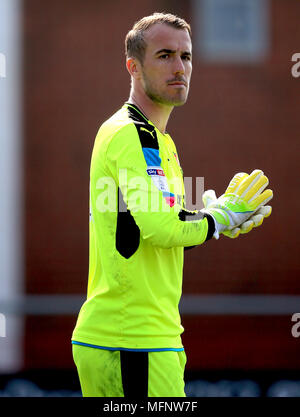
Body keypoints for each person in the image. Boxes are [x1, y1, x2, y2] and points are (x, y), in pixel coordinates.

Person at [71, 12, 273, 397]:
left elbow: (167, 217)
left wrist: (216, 213)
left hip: (144, 338)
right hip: (131, 339)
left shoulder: (160, 141)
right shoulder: (132, 135)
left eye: (186, 56)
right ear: (133, 66)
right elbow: (163, 229)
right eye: (164, 55)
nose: (180, 67)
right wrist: (219, 217)